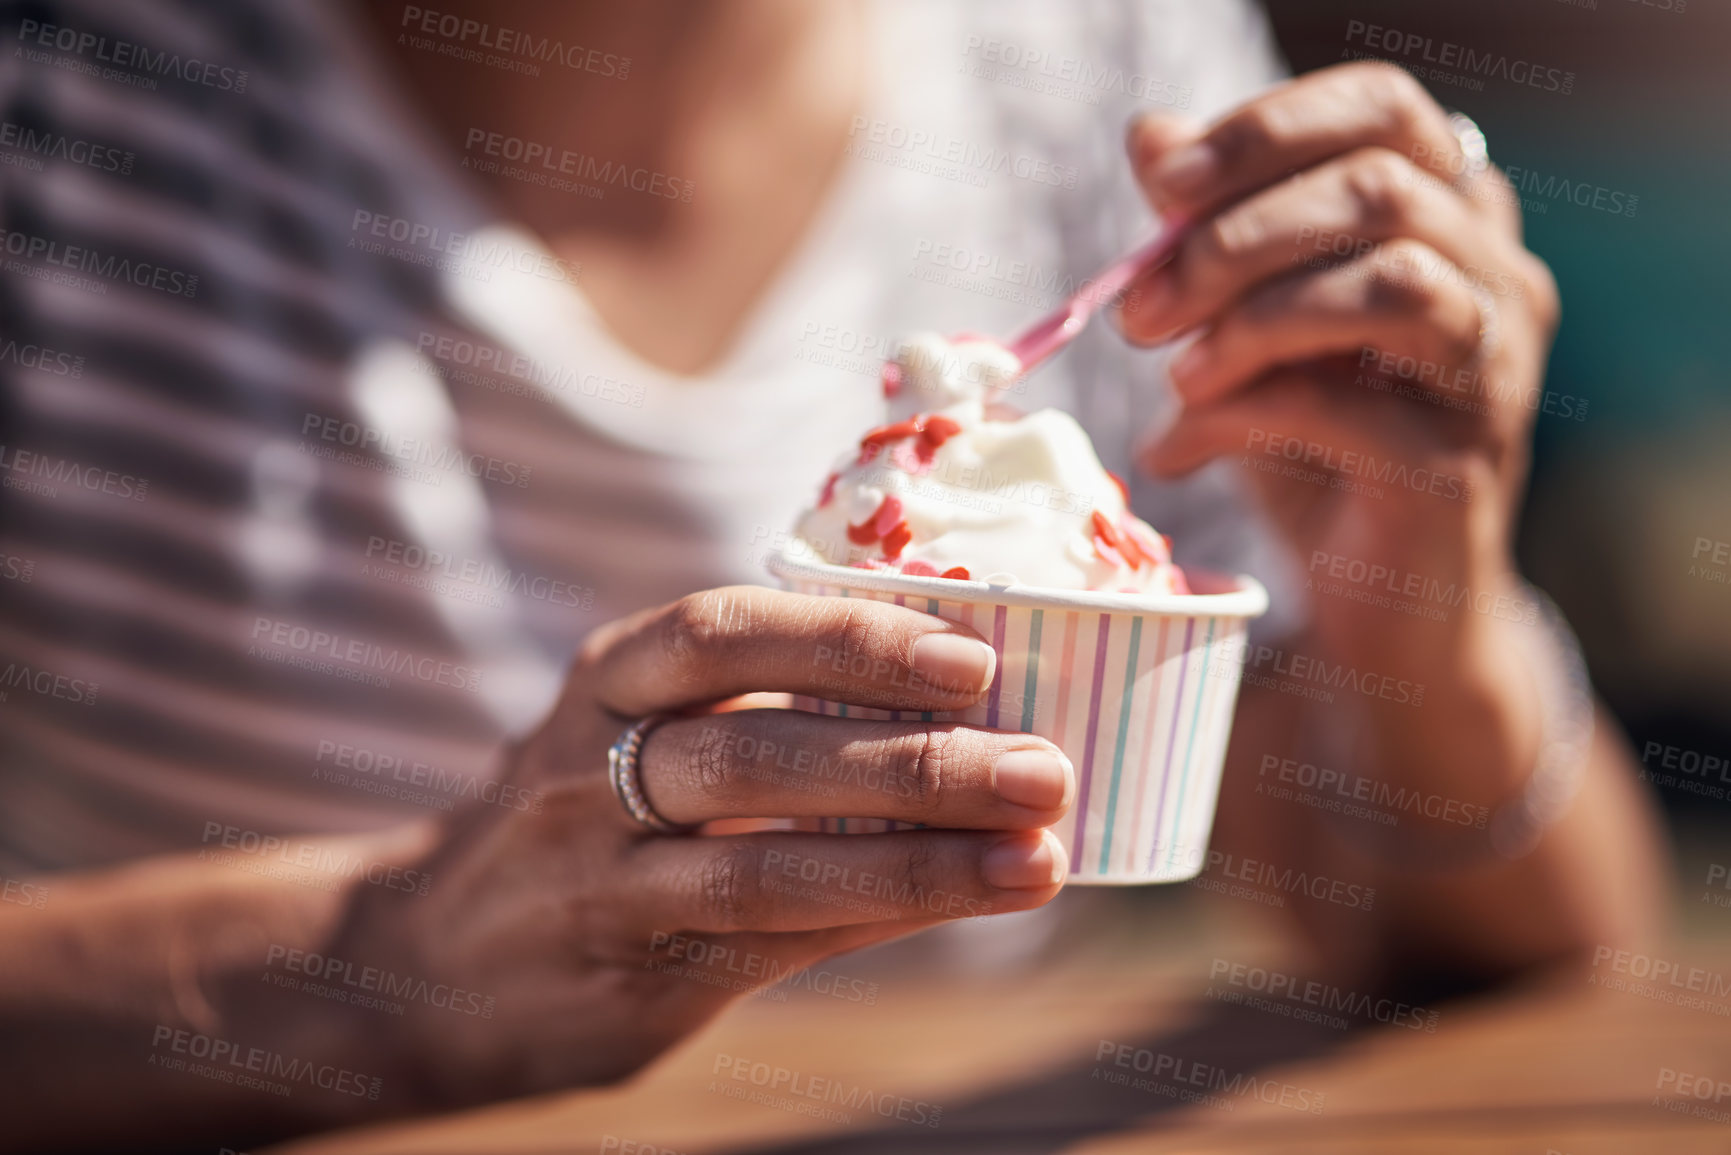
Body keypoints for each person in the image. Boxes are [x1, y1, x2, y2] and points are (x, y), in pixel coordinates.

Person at [0, 0, 1665, 1149]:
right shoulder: (81, 95)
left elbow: (1499, 954)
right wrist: (387, 967)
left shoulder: (1088, 57)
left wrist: (1418, 616)